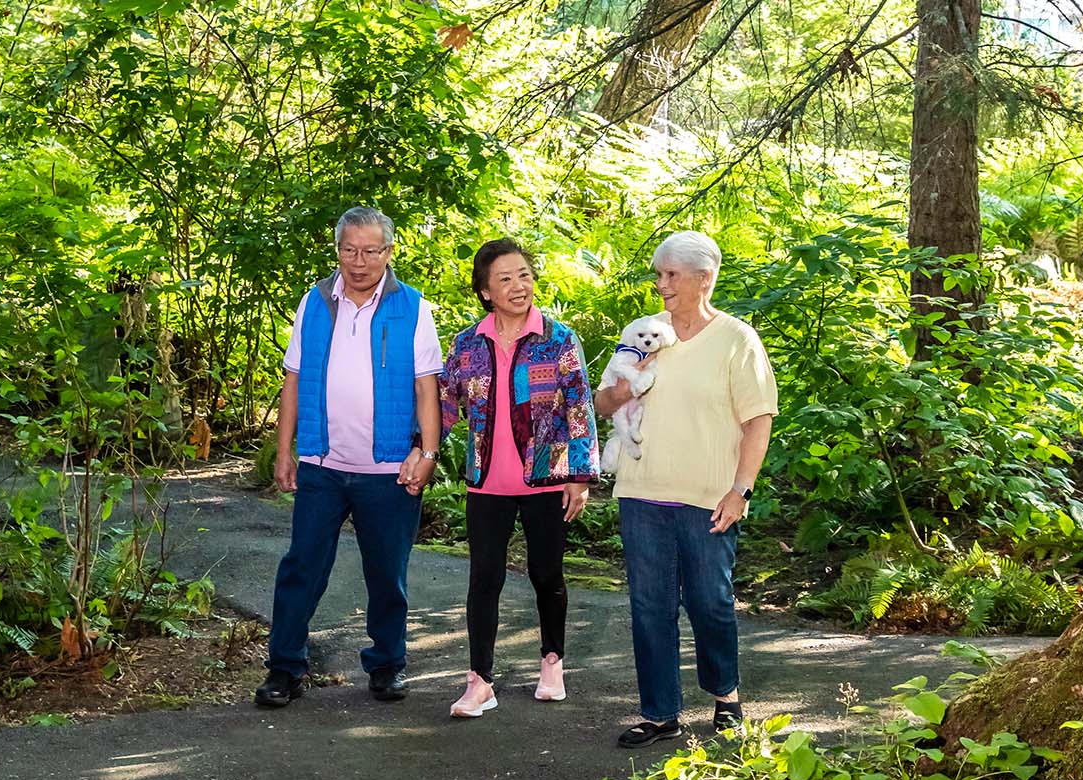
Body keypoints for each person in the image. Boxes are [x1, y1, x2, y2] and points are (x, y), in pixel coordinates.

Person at [592, 231, 778, 748]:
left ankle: (726, 697)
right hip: (641, 492)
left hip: (709, 497)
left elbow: (758, 421)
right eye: (658, 274)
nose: (661, 284)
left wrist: (740, 490)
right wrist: (628, 385)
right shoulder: (643, 332)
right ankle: (660, 714)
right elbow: (603, 404)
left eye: (671, 274)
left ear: (705, 277)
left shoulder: (737, 339)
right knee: (649, 605)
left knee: (710, 602)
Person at [254, 207, 443, 709]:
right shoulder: (314, 303)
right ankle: (285, 668)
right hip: (322, 464)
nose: (358, 262)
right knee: (302, 567)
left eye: (370, 251)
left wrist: (427, 451)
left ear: (389, 252)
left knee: (387, 572)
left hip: (389, 469)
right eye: (349, 250)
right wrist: (285, 450)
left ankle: (387, 664)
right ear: (337, 249)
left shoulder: (414, 308)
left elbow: (428, 389)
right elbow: (293, 378)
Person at [438, 238, 600, 718]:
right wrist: (417, 450)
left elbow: (579, 407)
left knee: (546, 574)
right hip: (486, 482)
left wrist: (579, 474)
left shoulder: (558, 338)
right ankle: (479, 681)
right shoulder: (468, 345)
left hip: (547, 478)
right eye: (505, 278)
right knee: (483, 579)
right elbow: (445, 404)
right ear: (485, 291)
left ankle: (552, 662)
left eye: (524, 275)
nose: (518, 286)